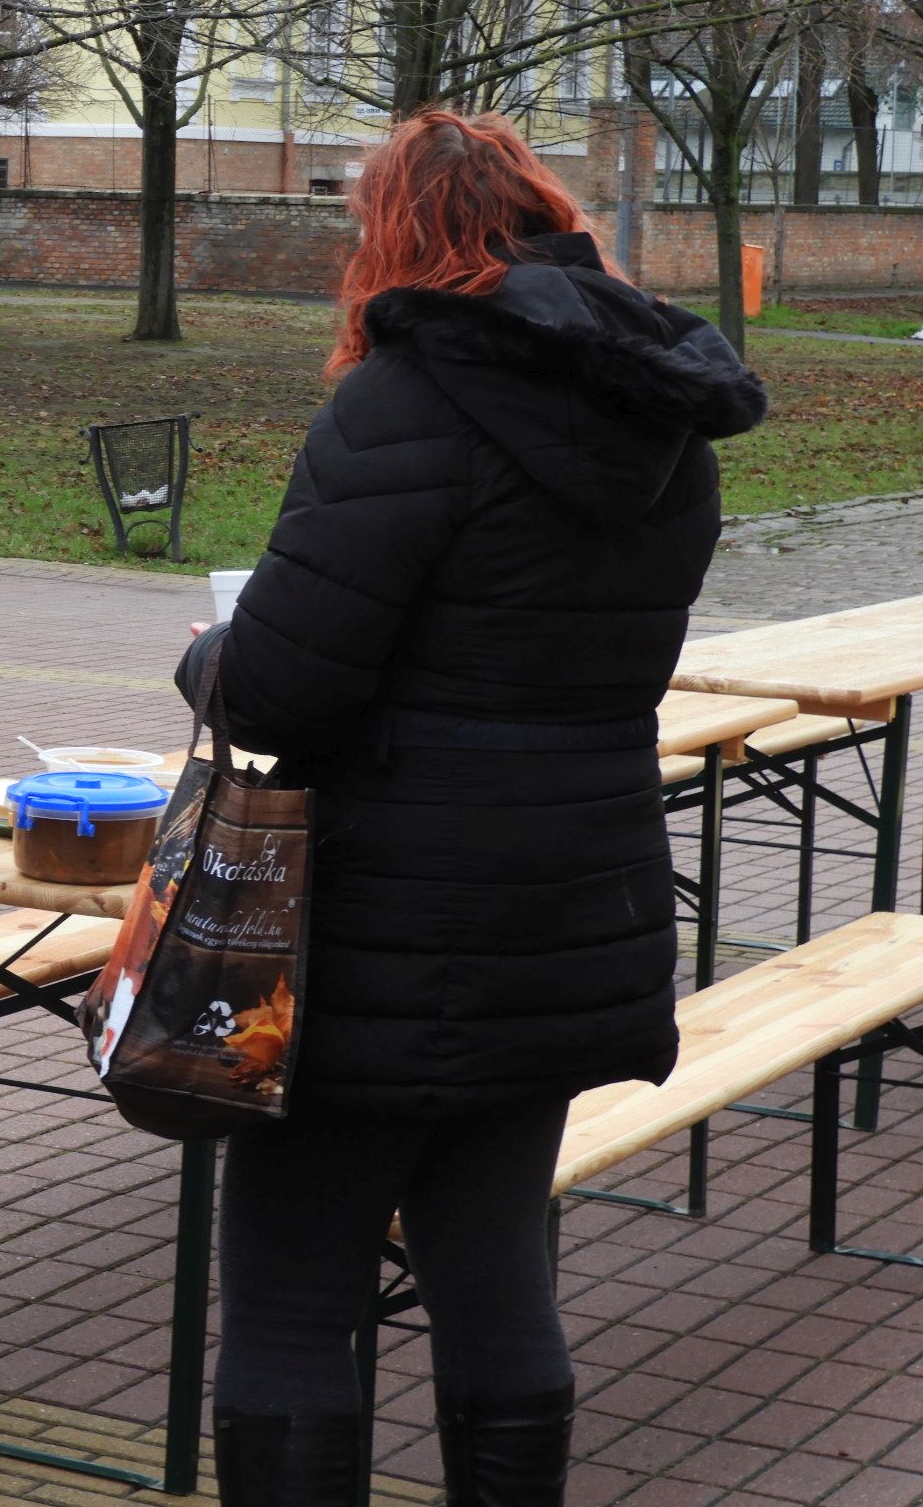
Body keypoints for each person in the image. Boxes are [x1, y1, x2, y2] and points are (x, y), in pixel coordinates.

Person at [179, 109, 766, 1506]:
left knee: (288, 1304)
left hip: (378, 931)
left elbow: (279, 690)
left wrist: (207, 658)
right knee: (499, 1284)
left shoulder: (401, 402)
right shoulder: (665, 427)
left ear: (401, 240)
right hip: (572, 908)